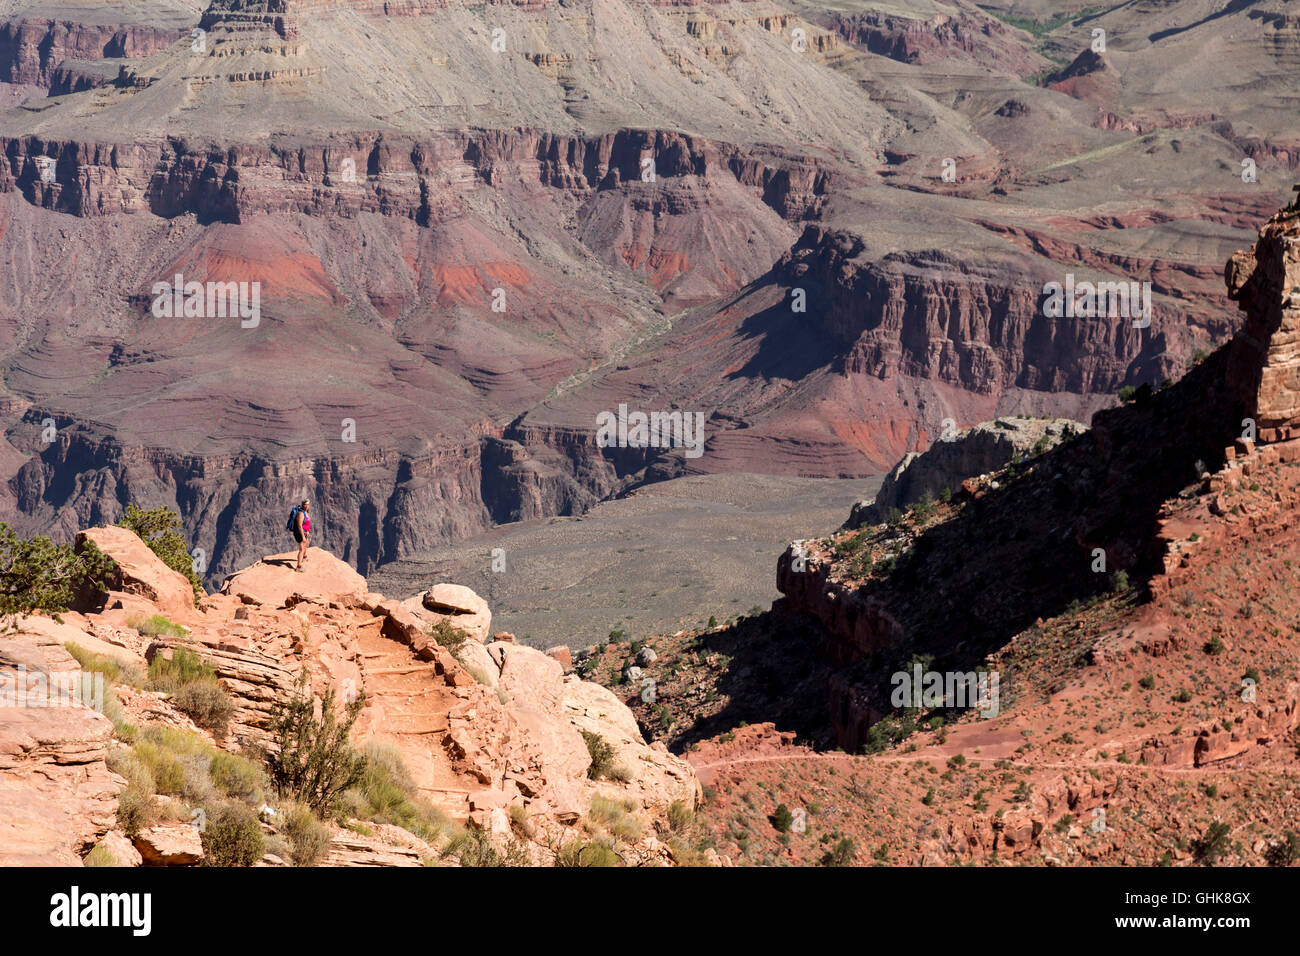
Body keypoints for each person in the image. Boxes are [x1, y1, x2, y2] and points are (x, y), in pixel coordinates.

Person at [290, 499, 311, 572]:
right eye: (305, 504)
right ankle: (298, 567)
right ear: (302, 505)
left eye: (308, 504)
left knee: (306, 544)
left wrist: (307, 531)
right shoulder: (301, 513)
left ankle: (304, 557)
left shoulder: (306, 512)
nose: (307, 506)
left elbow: (306, 522)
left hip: (305, 532)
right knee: (302, 549)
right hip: (300, 533)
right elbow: (299, 525)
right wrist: (302, 536)